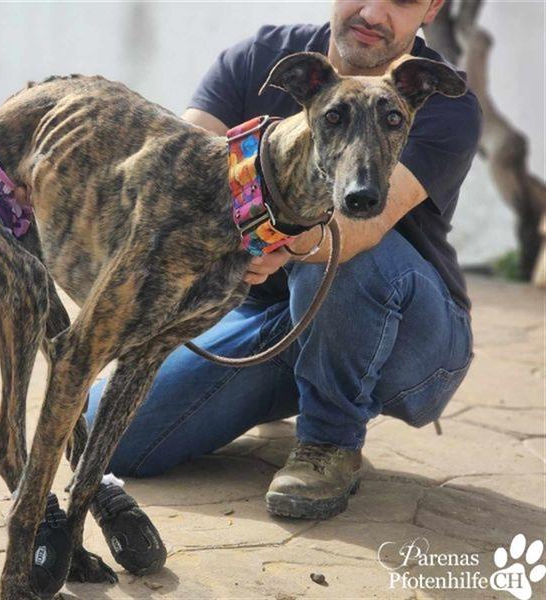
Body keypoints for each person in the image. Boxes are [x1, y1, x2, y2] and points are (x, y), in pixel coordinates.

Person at [87, 0, 479, 566]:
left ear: (433, 9)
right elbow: (183, 168)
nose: (372, 11)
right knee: (112, 434)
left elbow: (361, 220)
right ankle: (306, 374)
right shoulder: (260, 59)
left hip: (409, 336)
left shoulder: (436, 96)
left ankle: (329, 440)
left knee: (343, 250)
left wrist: (273, 239)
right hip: (278, 317)